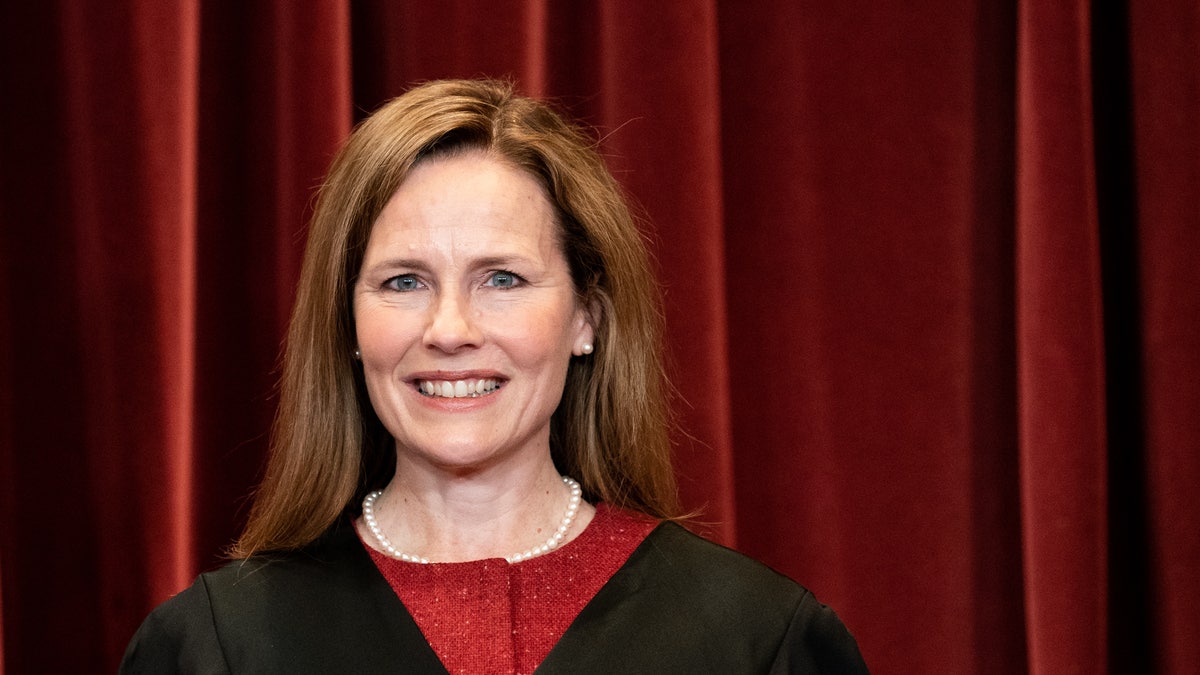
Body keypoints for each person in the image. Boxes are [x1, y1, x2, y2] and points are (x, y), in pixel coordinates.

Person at [120, 78, 868, 674]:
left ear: (588, 319)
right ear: (348, 324)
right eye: (403, 281)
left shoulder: (759, 641)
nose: (450, 330)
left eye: (502, 278)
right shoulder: (213, 649)